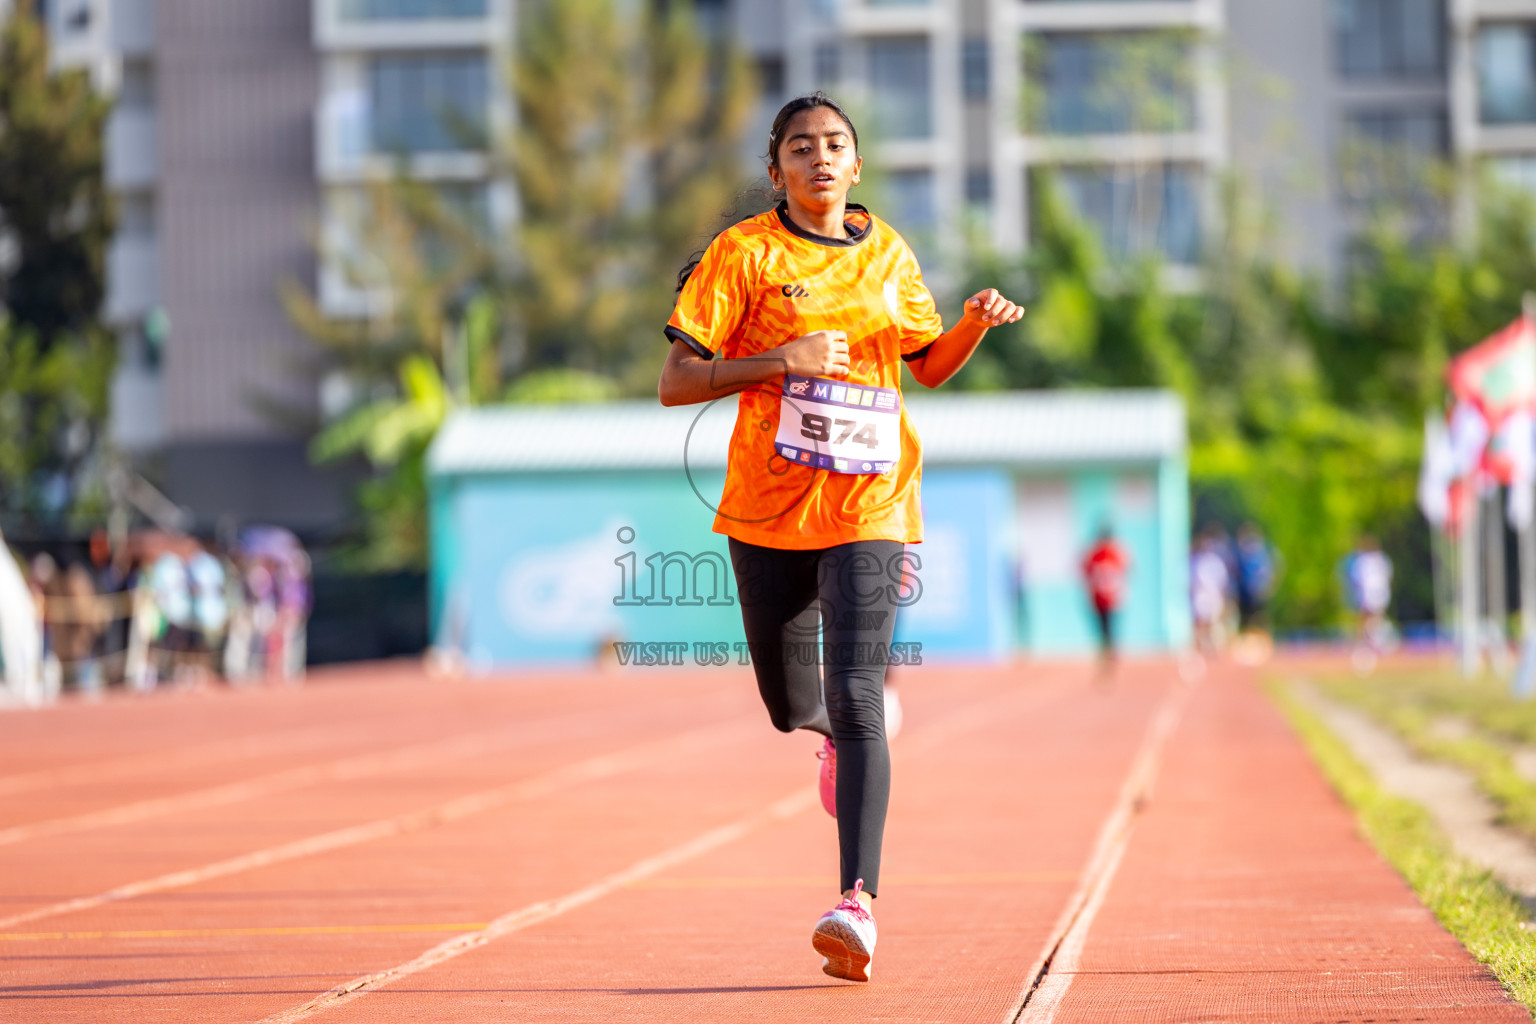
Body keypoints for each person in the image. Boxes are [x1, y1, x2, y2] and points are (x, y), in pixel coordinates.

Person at [657, 92, 1023, 983]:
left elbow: (926, 366)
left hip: (872, 504)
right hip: (768, 506)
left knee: (859, 692)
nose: (820, 159)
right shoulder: (742, 255)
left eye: (836, 145)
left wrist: (971, 323)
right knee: (791, 705)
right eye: (800, 147)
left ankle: (857, 903)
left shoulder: (888, 251)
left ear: (856, 164)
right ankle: (822, 733)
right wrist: (781, 360)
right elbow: (676, 382)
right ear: (776, 167)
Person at [1081, 525, 1130, 674]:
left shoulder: (1101, 553)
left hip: (1107, 598)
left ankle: (1108, 653)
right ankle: (1107, 653)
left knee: (1107, 628)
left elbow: (1087, 572)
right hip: (1104, 598)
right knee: (1106, 628)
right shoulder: (1112, 553)